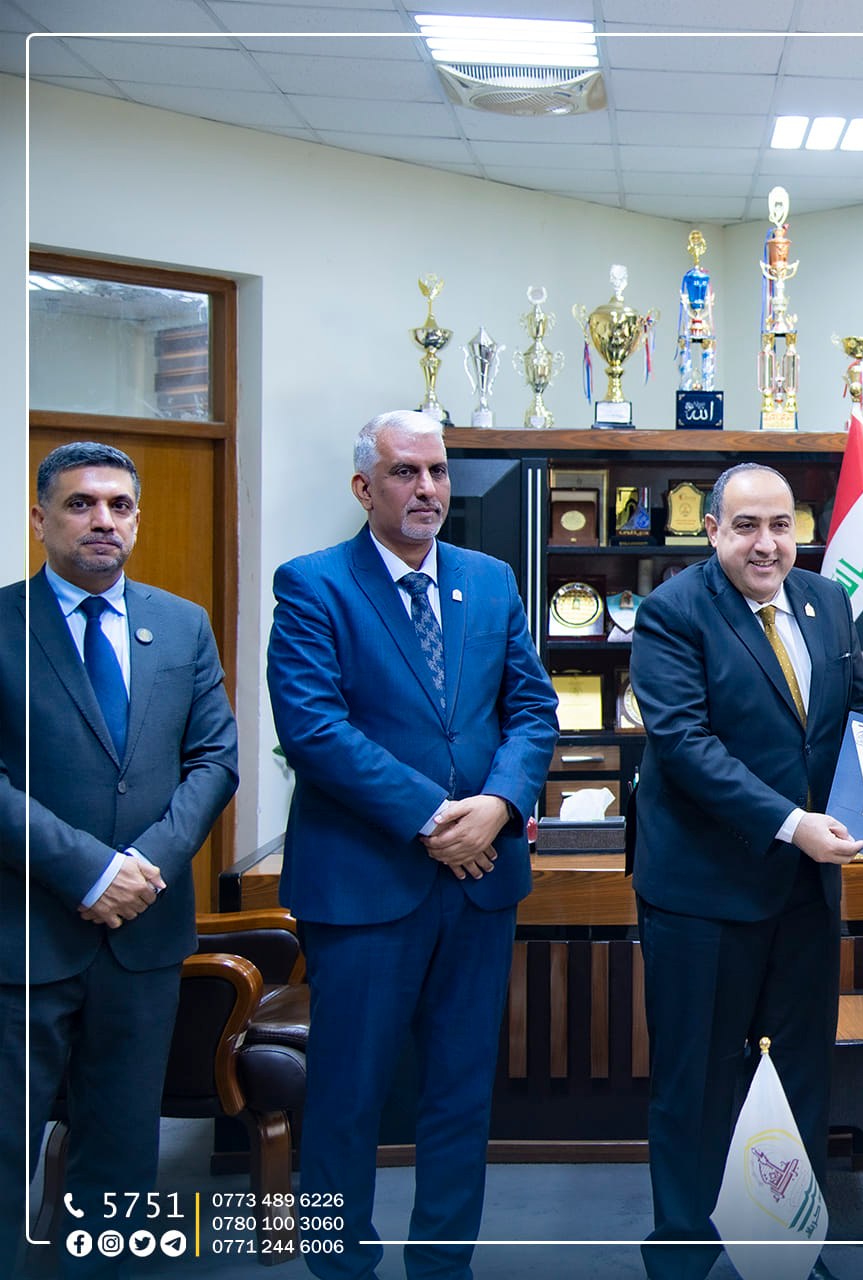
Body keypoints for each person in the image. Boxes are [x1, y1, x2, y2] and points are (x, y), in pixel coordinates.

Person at [267, 410, 558, 1280]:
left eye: (437, 471)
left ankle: (442, 1265)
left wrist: (498, 804)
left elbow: (532, 709)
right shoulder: (314, 585)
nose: (427, 488)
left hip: (481, 884)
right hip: (365, 887)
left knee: (460, 1095)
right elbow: (314, 730)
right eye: (405, 472)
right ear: (365, 487)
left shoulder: (489, 580)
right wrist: (438, 819)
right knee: (348, 1098)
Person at [628, 462, 863, 1280]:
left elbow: (853, 713)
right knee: (696, 1087)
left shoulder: (826, 601)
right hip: (703, 895)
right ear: (712, 531)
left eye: (781, 525)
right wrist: (793, 824)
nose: (766, 544)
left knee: (800, 1078)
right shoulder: (673, 613)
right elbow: (686, 746)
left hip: (803, 894)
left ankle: (787, 1244)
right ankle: (684, 1251)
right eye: (746, 527)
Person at [1, 442, 239, 1276]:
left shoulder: (181, 623)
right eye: (80, 504)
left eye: (119, 505)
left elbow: (215, 759)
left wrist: (142, 867)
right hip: (23, 937)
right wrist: (91, 872)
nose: (103, 520)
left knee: (123, 1155)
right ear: (40, 518)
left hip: (143, 937)